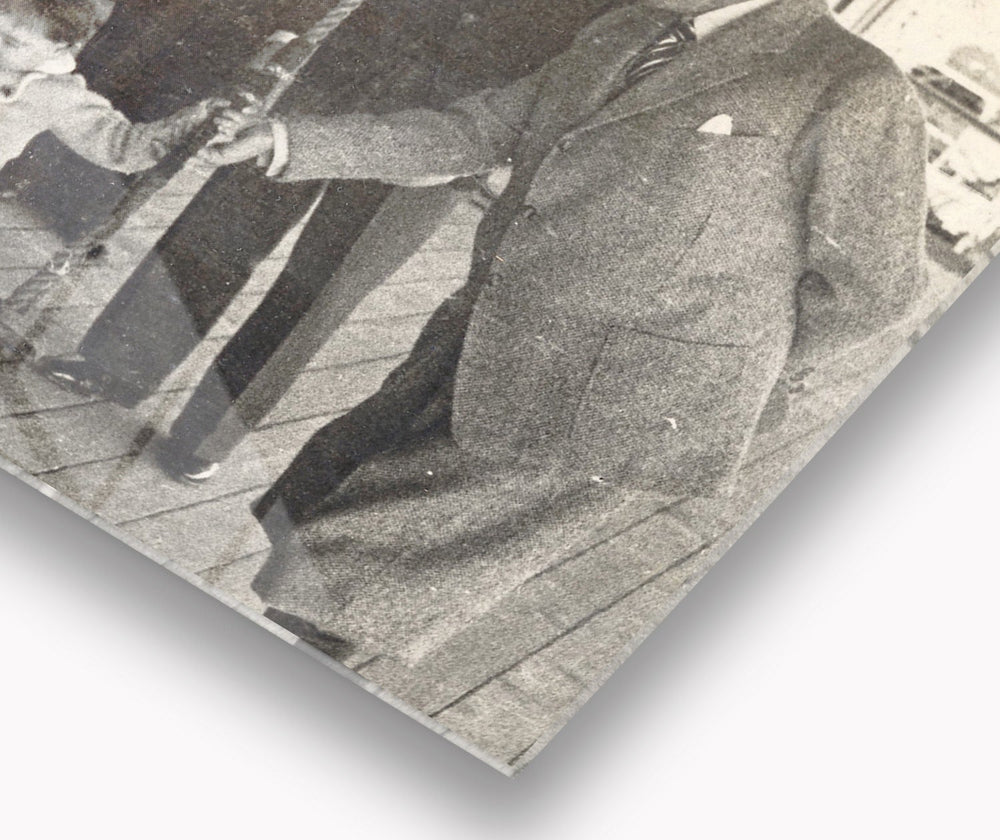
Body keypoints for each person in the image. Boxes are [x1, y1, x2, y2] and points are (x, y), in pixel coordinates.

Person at [195, 0, 930, 664]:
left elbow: (877, 287)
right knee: (322, 520)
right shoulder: (627, 26)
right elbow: (478, 131)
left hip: (613, 404)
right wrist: (287, 140)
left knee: (354, 578)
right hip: (488, 337)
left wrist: (730, 375)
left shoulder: (852, 85)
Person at [38, 0, 619, 484]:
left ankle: (206, 438)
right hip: (349, 68)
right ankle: (117, 364)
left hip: (456, 130)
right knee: (220, 228)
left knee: (320, 289)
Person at [0, 0, 217, 174]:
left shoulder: (55, 94)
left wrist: (183, 127)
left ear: (58, 49)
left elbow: (118, 144)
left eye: (10, 42)